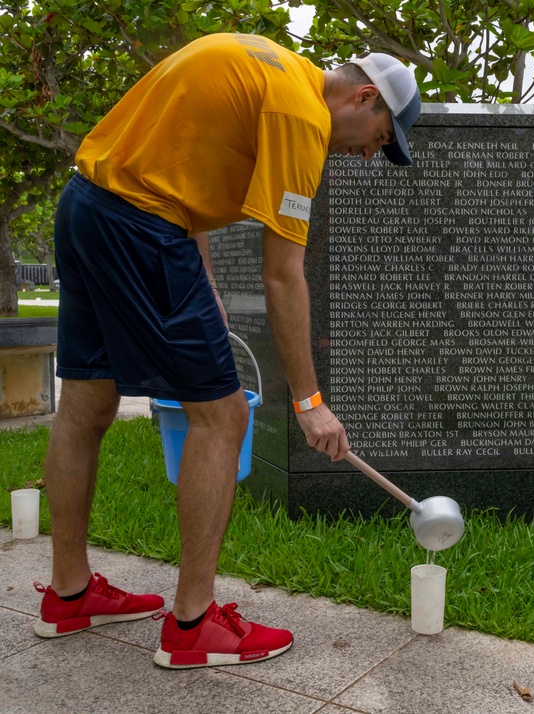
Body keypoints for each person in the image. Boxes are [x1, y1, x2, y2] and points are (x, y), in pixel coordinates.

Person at [33, 33, 420, 669]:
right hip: (143, 225)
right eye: (378, 138)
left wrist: (203, 283)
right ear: (364, 97)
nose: (365, 156)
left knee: (86, 400)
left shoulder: (265, 62)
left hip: (87, 206)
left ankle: (69, 594)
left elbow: (187, 166)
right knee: (224, 415)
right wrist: (310, 401)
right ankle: (192, 624)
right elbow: (283, 275)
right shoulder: (302, 116)